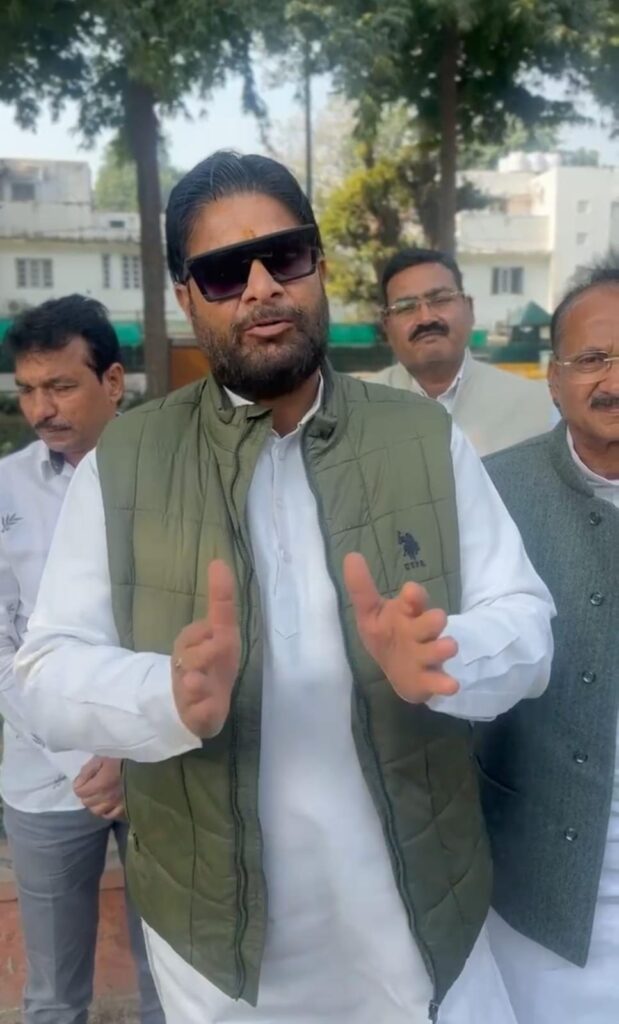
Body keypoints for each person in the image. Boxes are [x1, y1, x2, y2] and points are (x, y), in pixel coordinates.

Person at [16, 152, 555, 1024]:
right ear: (187, 297)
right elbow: (45, 672)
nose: (262, 287)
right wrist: (162, 693)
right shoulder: (126, 460)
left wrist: (447, 657)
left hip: (419, 923)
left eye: (286, 256)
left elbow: (526, 623)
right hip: (220, 957)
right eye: (226, 272)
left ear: (319, 268)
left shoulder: (421, 437)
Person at [0, 296, 164, 1024]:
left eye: (61, 386)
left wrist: (131, 749)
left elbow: (184, 627)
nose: (42, 409)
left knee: (174, 980)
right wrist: (80, 759)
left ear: (114, 382)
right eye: (28, 389)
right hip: (45, 779)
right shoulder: (5, 489)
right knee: (53, 996)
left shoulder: (168, 476)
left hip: (159, 767)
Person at [476, 258, 619, 1023]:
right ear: (553, 379)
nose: (612, 380)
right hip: (536, 885)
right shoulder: (491, 492)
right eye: (591, 358)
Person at [373, 248, 556, 455]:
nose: (426, 318)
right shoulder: (356, 409)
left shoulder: (535, 405)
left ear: (469, 309)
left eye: (440, 300)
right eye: (406, 307)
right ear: (386, 325)